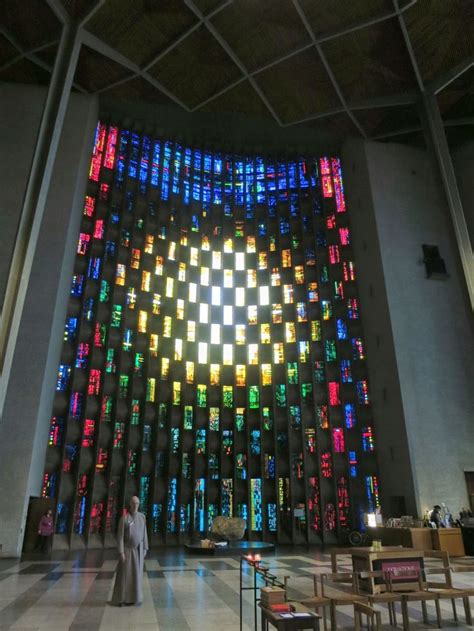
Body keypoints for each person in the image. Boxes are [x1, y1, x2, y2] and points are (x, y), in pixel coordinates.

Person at [111, 496, 148, 606]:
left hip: (138, 550)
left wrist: (145, 547)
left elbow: (144, 533)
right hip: (127, 550)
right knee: (124, 575)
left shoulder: (142, 517)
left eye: (137, 503)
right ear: (130, 504)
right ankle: (122, 598)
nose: (135, 505)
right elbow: (120, 537)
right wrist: (121, 552)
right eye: (133, 503)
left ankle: (134, 598)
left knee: (136, 575)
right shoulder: (124, 519)